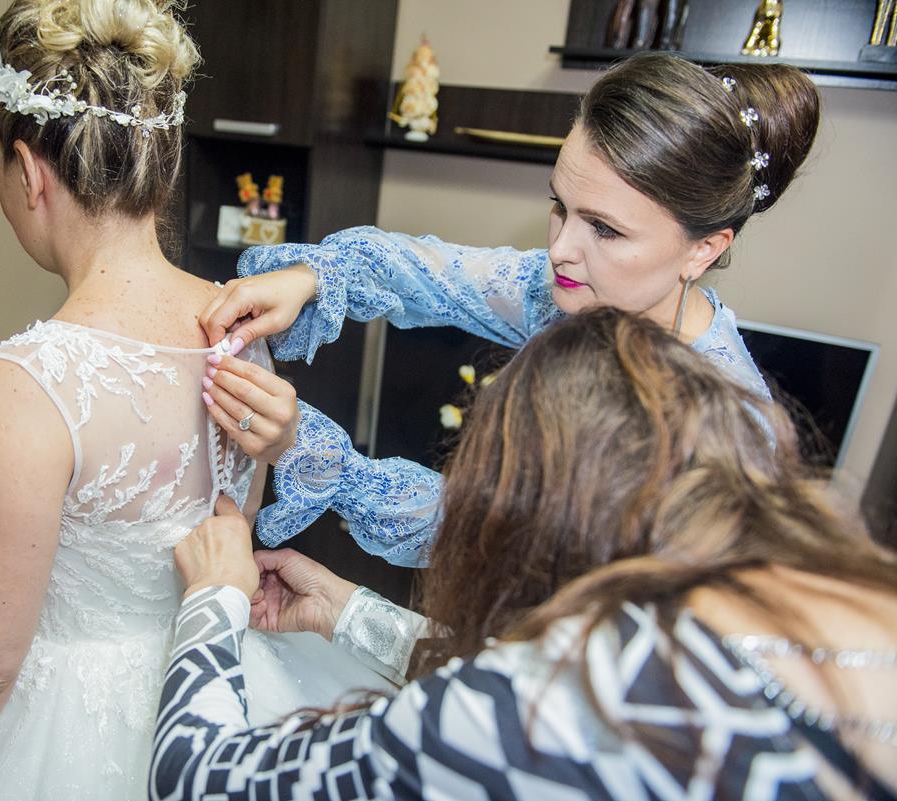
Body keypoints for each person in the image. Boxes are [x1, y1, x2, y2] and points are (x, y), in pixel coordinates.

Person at [0, 2, 385, 799]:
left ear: (28, 172)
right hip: (222, 670)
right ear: (160, 164)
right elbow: (232, 521)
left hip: (67, 718)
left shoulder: (29, 378)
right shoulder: (239, 324)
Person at [155, 308, 897, 801]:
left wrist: (216, 595)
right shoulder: (834, 591)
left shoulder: (554, 707)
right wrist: (347, 612)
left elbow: (200, 777)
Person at [193, 52, 822, 567]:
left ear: (704, 249)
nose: (560, 250)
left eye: (605, 229)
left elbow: (496, 544)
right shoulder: (576, 291)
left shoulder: (717, 441)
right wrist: (313, 276)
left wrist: (306, 449)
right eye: (559, 207)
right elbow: (428, 272)